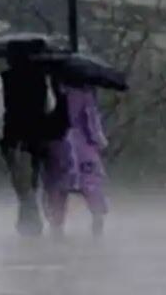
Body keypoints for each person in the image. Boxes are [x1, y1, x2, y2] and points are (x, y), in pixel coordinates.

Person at [0, 43, 56, 237]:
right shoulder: (43, 78)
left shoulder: (0, 80)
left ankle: (30, 225)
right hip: (38, 136)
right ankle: (28, 222)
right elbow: (50, 106)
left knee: (21, 182)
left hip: (15, 137)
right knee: (31, 181)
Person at [42, 79, 109, 238]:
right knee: (91, 184)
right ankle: (97, 219)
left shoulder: (51, 89)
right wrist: (100, 141)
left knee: (57, 188)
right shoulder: (86, 94)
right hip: (83, 146)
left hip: (57, 143)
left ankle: (56, 226)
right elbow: (92, 123)